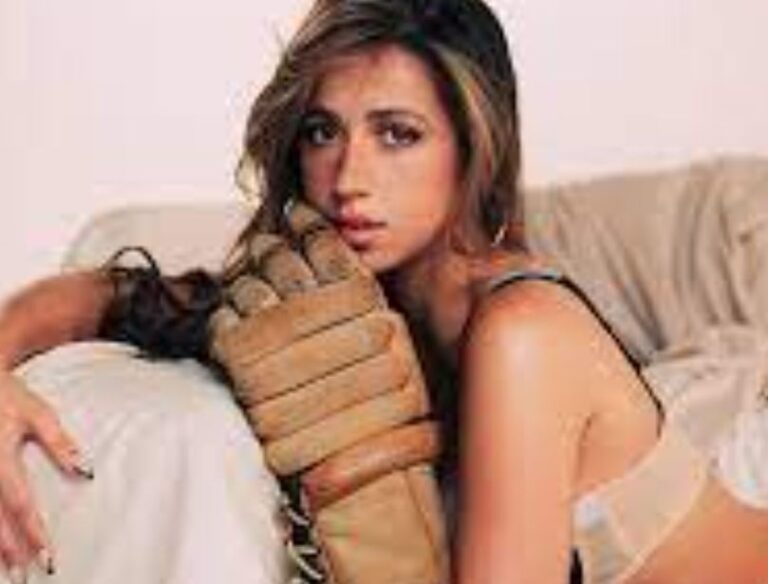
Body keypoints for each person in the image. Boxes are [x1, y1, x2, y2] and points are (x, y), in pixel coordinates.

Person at [1, 0, 768, 583]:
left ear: (474, 151)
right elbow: (109, 294)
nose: (349, 178)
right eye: (323, 132)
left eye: (398, 133)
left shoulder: (521, 333)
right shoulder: (331, 304)